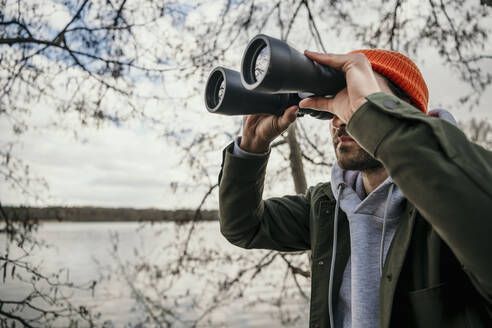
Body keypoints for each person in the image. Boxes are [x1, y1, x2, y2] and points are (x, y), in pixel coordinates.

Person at [217, 49, 492, 328]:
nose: (339, 118)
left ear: (406, 114)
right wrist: (251, 149)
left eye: (354, 102)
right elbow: (243, 227)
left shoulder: (446, 208)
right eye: (333, 105)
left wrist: (375, 118)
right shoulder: (327, 207)